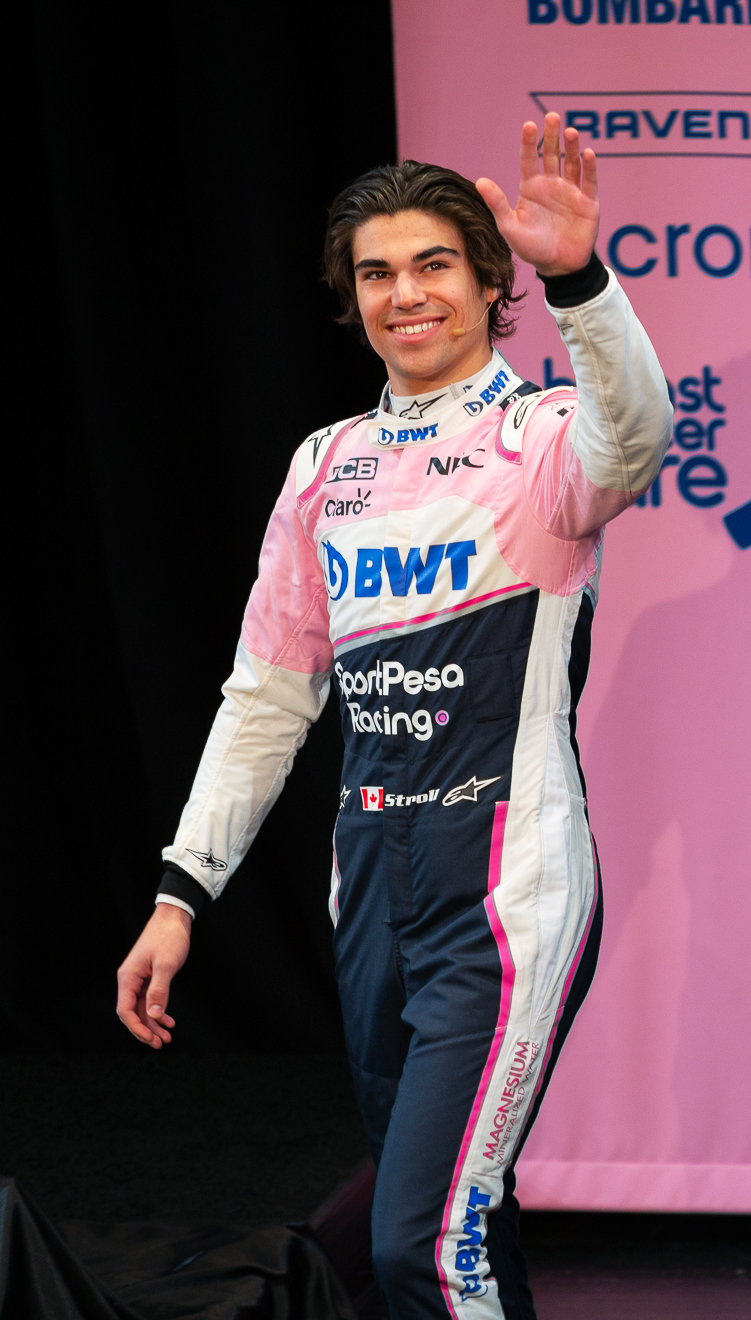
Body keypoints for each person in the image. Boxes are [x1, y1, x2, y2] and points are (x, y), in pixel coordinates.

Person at [112, 114, 672, 1320]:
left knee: (423, 1243)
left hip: (504, 883)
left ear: (486, 282)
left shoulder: (545, 441)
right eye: (377, 272)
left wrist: (580, 280)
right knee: (467, 1215)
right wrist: (180, 893)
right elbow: (266, 697)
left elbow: (640, 434)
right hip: (367, 886)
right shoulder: (325, 465)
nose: (404, 295)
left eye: (432, 265)